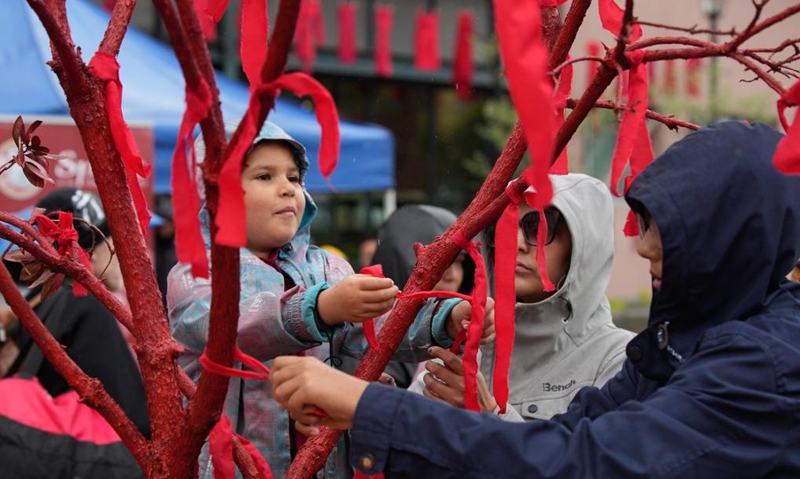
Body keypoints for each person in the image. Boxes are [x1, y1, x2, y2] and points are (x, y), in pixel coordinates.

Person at [271, 121, 800, 478]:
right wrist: (362, 417)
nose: (643, 245)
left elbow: (578, 461)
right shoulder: (672, 346)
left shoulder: (754, 366)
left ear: (728, 235)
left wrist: (370, 407)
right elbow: (562, 437)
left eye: (541, 226)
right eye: (507, 227)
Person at [167, 121, 493, 479]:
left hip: (325, 465)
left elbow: (380, 327)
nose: (287, 189)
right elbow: (233, 328)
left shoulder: (329, 267)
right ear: (216, 196)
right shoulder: (195, 274)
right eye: (265, 177)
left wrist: (445, 319)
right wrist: (321, 309)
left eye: (294, 178)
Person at [413, 174, 635, 419]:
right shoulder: (467, 341)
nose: (515, 242)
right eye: (504, 226)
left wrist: (489, 414)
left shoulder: (620, 360)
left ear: (584, 246)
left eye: (538, 227)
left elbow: (590, 457)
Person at [3, 187, 150, 438]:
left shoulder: (35, 309)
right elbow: (139, 424)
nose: (121, 252)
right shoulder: (84, 307)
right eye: (113, 240)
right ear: (86, 252)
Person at [342, 204, 477, 388]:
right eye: (442, 262)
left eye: (459, 262)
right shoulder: (356, 337)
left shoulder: (470, 334)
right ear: (403, 261)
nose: (453, 275)